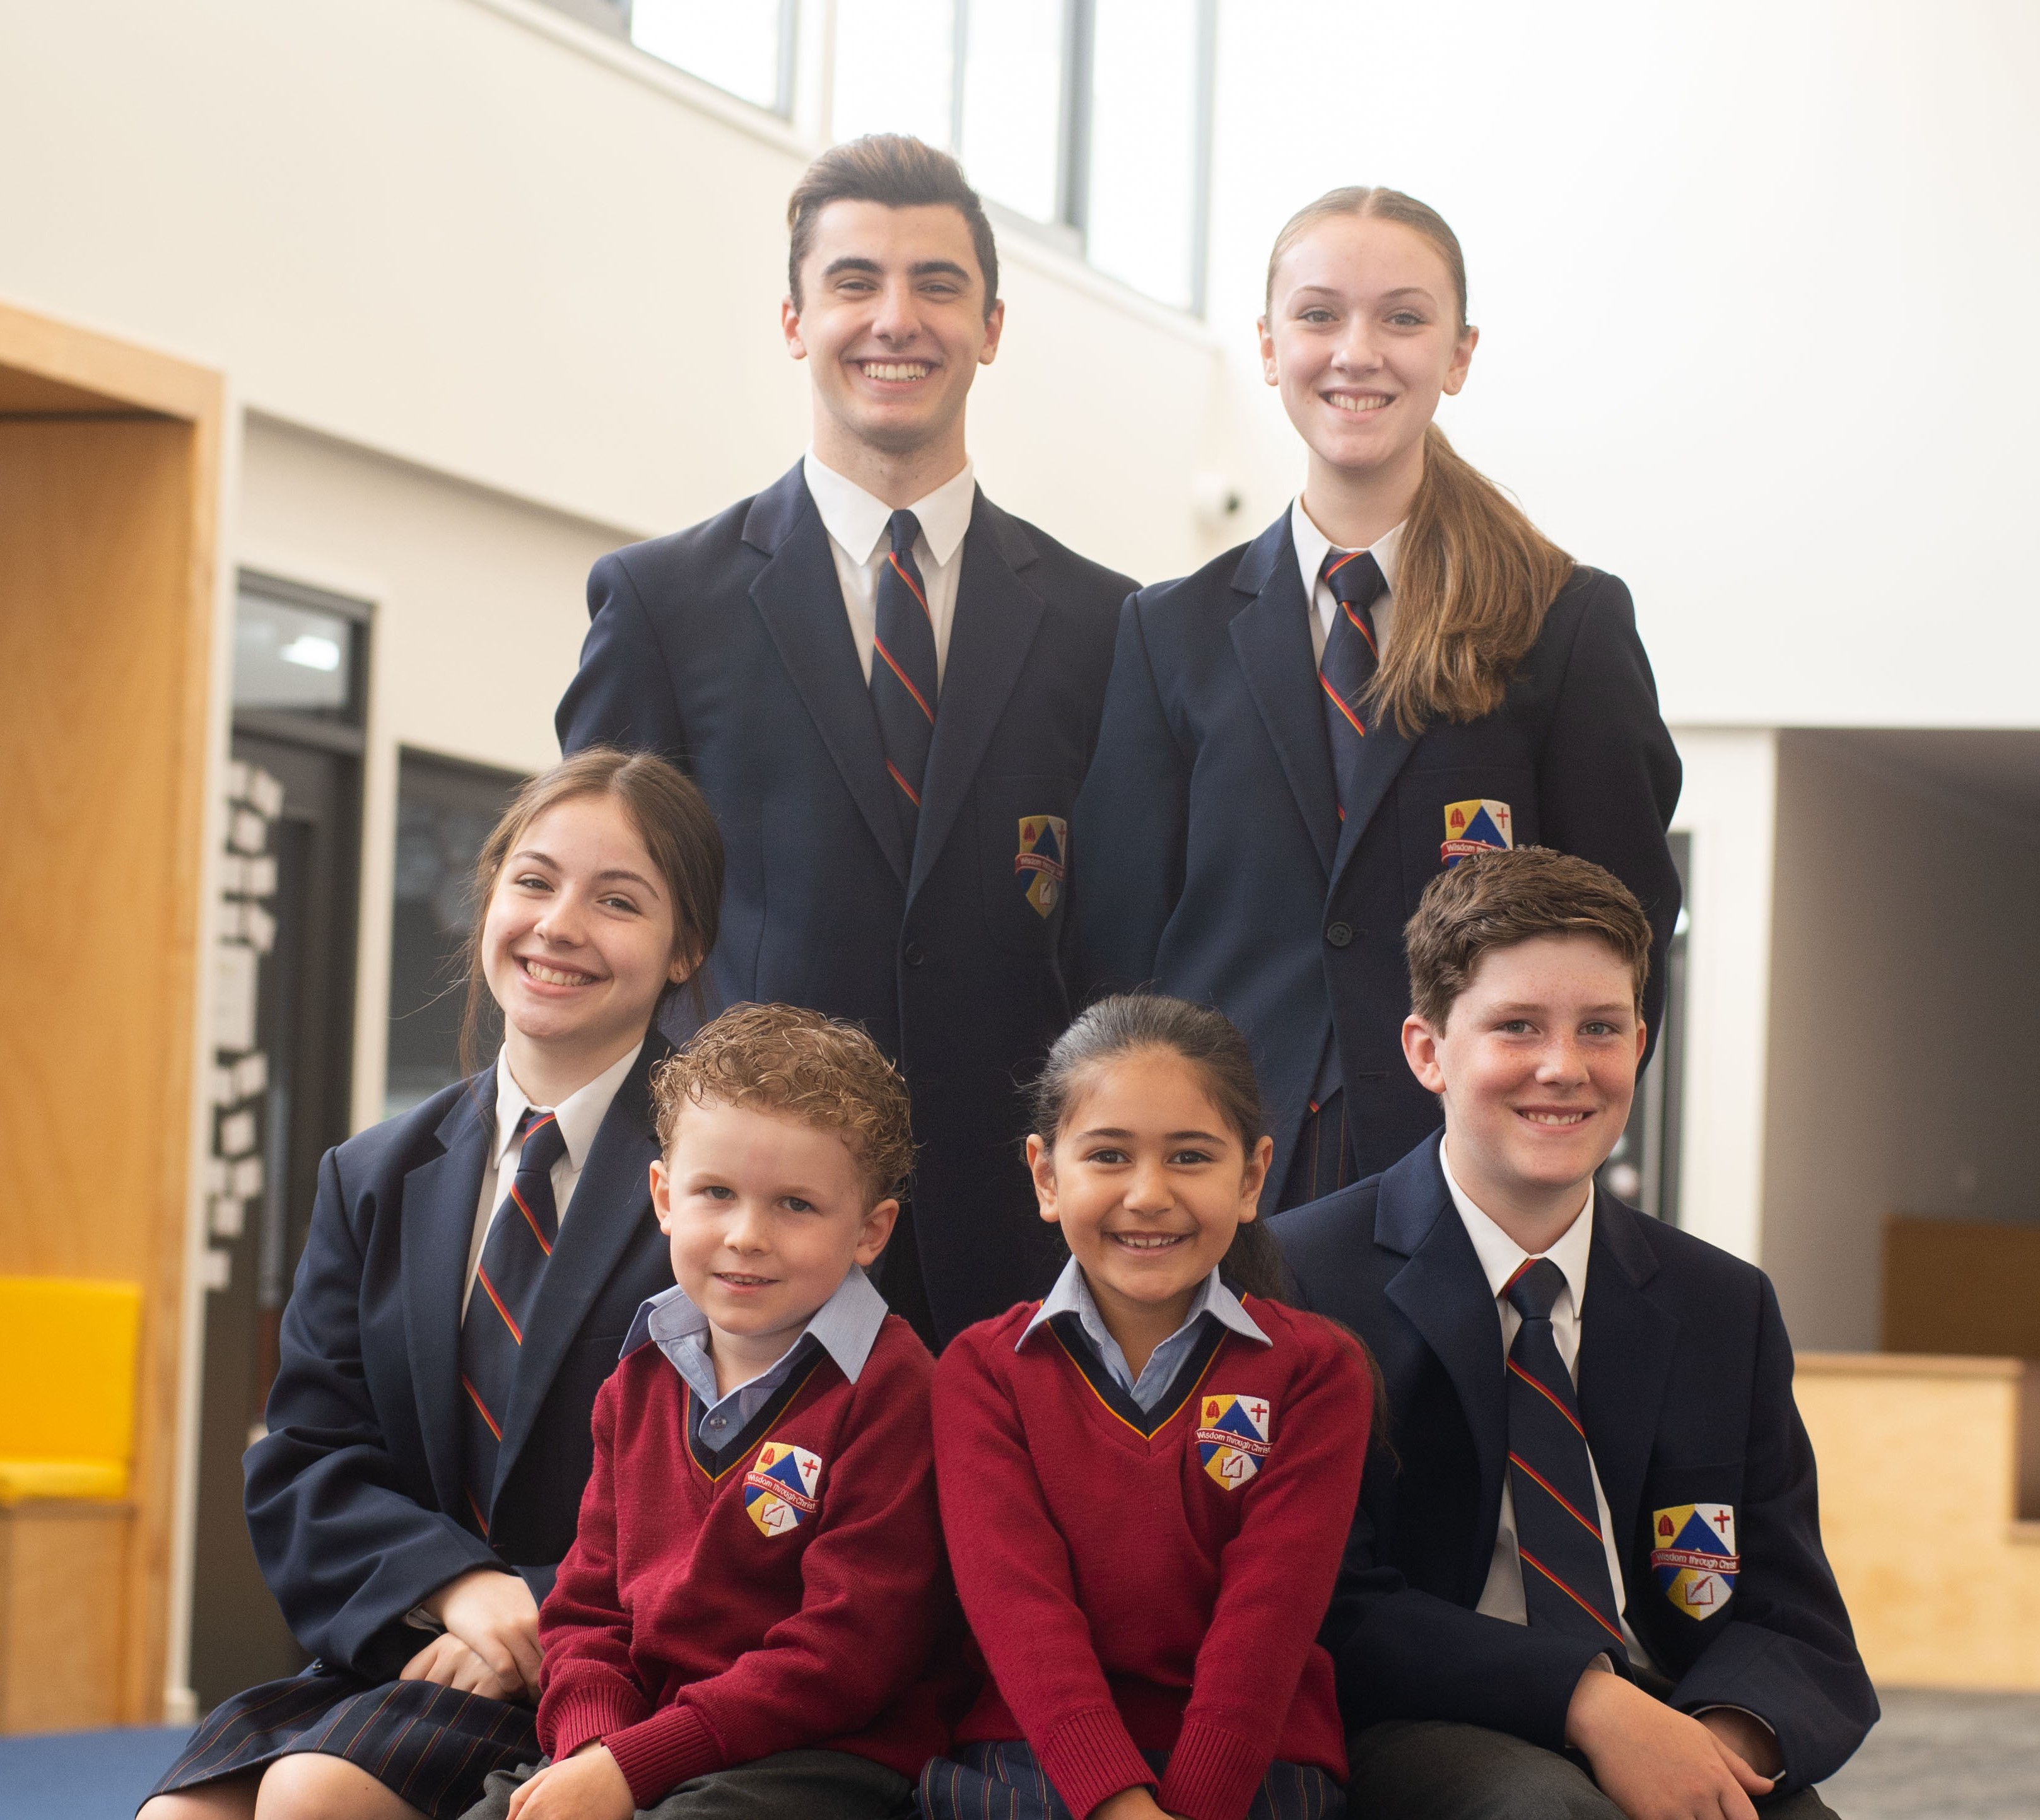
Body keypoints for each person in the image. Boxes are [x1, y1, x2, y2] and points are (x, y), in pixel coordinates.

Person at [556, 134, 1136, 1345]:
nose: (895, 320)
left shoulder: (1106, 625)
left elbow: (1122, 939)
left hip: (1020, 1246)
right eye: (854, 282)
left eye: (937, 285)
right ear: (793, 317)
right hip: (751, 1250)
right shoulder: (665, 604)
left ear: (990, 325)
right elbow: (609, 920)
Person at [1074, 185, 1682, 1212]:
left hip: (1460, 1181)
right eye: (1318, 315)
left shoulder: (1562, 623)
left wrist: (1548, 1146)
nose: (1357, 351)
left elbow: (1626, 935)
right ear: (1268, 347)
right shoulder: (1164, 631)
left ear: (1457, 354)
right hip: (1226, 1178)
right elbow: (1117, 946)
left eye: (1402, 317)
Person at [143, 749, 725, 1820]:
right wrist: (456, 1588)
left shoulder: (727, 1184)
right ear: (490, 896)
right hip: (417, 1640)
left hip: (626, 1666)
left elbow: (749, 1475)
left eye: (618, 900)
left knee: (314, 1800)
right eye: (534, 881)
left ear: (686, 945)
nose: (558, 925)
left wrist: (538, 1610)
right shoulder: (372, 1174)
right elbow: (307, 1455)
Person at [1270, 848, 1875, 1820]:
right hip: (1420, 1719)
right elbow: (1324, 1601)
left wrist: (1709, 1744)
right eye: (1516, 1027)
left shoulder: (1724, 1304)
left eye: (1599, 1028)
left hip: (1669, 1705)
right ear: (1427, 1051)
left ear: (1638, 1043)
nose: (1563, 1066)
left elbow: (1790, 1609)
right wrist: (1585, 1700)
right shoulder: (1301, 1278)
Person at [459, 1002, 949, 1820]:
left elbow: (846, 1655)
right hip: (642, 1741)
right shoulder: (639, 1377)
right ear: (662, 1195)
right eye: (715, 1192)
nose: (746, 1235)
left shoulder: (897, 1391)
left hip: (822, 1752)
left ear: (870, 1230)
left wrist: (630, 1767)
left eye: (795, 1204)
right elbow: (586, 1610)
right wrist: (591, 1748)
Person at [922, 996, 1371, 1820]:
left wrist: (1190, 1807)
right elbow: (1020, 1611)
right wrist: (1118, 1805)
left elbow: (1265, 1622)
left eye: (1190, 1156)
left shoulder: (1316, 1368)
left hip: (1255, 1770)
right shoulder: (981, 1371)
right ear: (1046, 1176)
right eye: (1108, 1155)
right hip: (1030, 1759)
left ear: (1250, 1177)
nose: (1148, 1193)